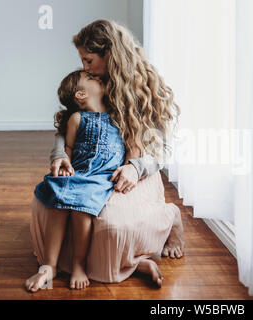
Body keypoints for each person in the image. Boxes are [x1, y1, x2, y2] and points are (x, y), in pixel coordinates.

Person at [25, 19, 185, 292]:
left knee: (110, 226)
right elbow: (68, 124)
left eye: (88, 61)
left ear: (109, 54)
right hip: (93, 172)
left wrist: (135, 168)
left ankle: (170, 221)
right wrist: (59, 154)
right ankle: (129, 262)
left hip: (134, 171)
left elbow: (164, 149)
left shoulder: (143, 87)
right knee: (55, 207)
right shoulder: (94, 86)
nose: (84, 68)